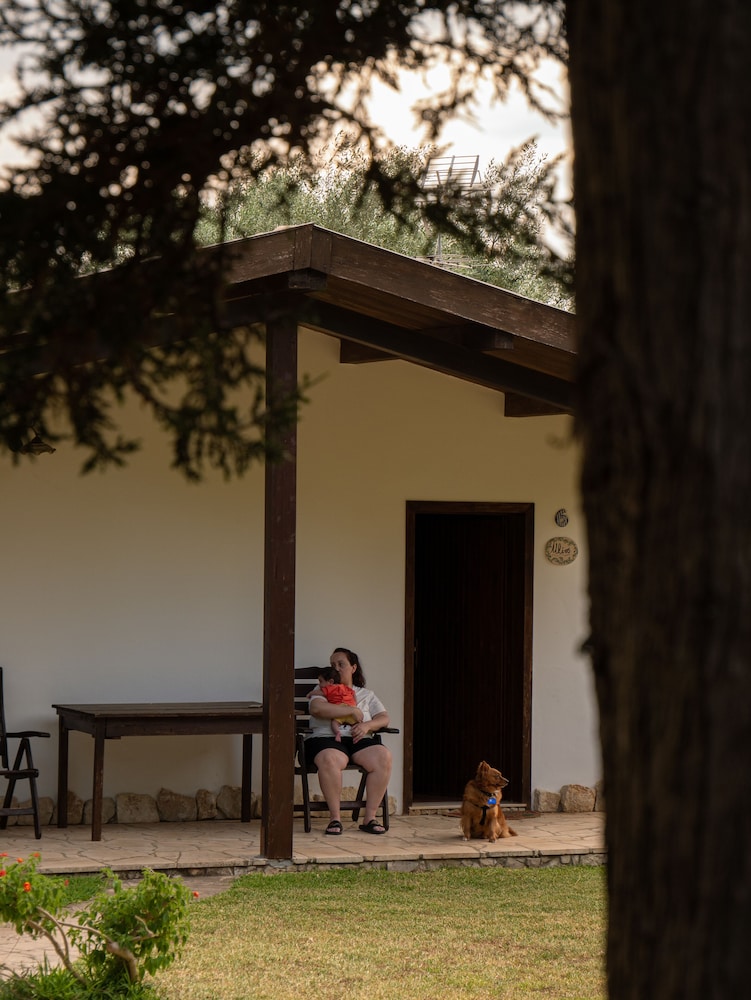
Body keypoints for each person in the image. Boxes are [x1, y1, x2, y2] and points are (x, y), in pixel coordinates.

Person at [305, 646, 392, 835]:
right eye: (332, 665)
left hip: (359, 739)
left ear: (353, 668)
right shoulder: (322, 689)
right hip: (325, 739)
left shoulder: (366, 694)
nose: (336, 668)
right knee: (330, 758)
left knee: (383, 756)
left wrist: (367, 726)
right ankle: (335, 818)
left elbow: (384, 718)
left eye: (341, 664)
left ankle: (370, 818)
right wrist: (352, 711)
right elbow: (318, 709)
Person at [314, 666, 359, 741]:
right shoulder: (345, 687)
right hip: (351, 708)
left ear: (331, 682)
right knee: (356, 723)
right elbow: (353, 693)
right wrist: (354, 704)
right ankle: (356, 736)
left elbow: (321, 693)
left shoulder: (330, 688)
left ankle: (337, 733)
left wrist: (310, 694)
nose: (319, 685)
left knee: (334, 723)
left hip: (339, 710)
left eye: (321, 681)